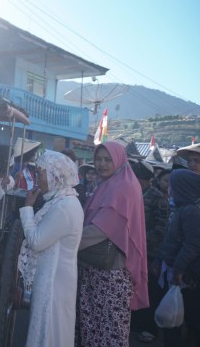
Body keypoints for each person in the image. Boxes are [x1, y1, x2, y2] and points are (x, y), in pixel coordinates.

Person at [76, 141, 149, 347]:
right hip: (99, 270)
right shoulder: (111, 183)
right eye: (98, 159)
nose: (101, 164)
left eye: (108, 159)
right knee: (96, 329)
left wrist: (67, 242)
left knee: (108, 332)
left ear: (119, 160)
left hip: (110, 275)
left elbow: (101, 229)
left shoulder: (122, 187)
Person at [17, 150, 84, 347]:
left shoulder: (64, 206)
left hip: (55, 282)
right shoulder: (60, 200)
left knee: (49, 330)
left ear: (56, 175)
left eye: (41, 173)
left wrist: (28, 208)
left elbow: (36, 241)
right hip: (53, 277)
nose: (37, 179)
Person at [157, 169, 200, 346]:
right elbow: (170, 240)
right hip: (175, 270)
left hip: (184, 276)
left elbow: (192, 245)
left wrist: (178, 270)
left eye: (172, 186)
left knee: (185, 317)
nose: (169, 189)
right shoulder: (181, 208)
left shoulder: (191, 211)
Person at [129, 160, 169, 343]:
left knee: (149, 290)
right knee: (133, 288)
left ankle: (148, 328)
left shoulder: (157, 197)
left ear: (143, 177)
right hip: (132, 250)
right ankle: (134, 323)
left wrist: (141, 241)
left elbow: (161, 227)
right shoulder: (132, 193)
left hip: (150, 253)